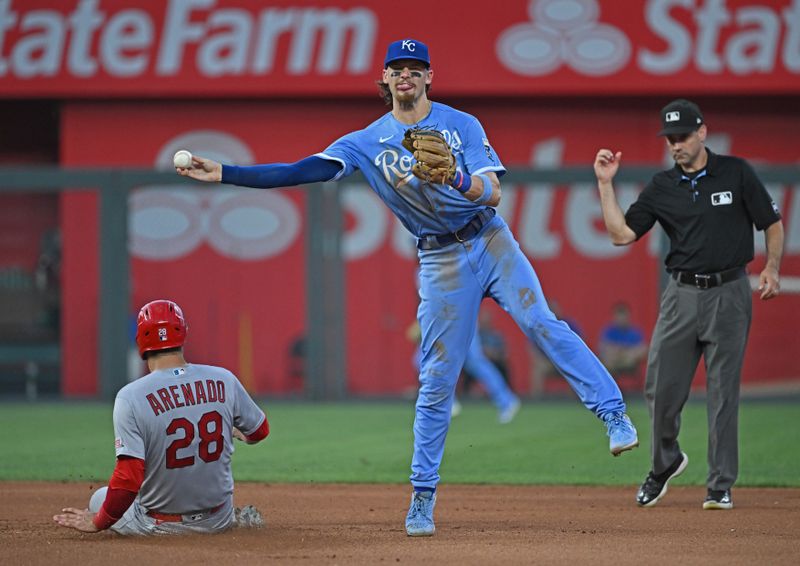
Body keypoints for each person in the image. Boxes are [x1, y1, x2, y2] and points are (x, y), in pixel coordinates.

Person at [177, 38, 637, 537]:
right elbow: (298, 171)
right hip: (439, 259)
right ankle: (422, 498)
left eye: (416, 68)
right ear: (385, 77)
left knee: (542, 322)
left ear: (429, 77)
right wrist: (224, 172)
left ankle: (614, 416)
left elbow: (495, 191)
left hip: (489, 239)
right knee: (437, 379)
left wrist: (457, 177)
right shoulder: (366, 142)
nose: (406, 75)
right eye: (398, 68)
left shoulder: (462, 124)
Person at [593, 98, 783, 511]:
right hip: (681, 295)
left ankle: (719, 484)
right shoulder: (662, 186)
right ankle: (666, 463)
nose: (675, 144)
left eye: (681, 136)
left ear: (702, 132)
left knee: (723, 394)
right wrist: (606, 184)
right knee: (660, 390)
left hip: (730, 292)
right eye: (669, 138)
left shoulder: (736, 172)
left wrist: (771, 266)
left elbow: (771, 221)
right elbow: (621, 235)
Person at [53, 299, 269, 535]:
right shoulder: (223, 378)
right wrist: (240, 434)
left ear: (141, 341)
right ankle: (229, 518)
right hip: (218, 519)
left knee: (99, 499)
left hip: (163, 525)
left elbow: (128, 479)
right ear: (184, 332)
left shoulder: (130, 396)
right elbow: (260, 431)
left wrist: (97, 522)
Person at [598, 301, 647, 379]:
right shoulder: (609, 331)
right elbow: (603, 348)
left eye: (624, 316)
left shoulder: (635, 332)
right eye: (619, 316)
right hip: (613, 363)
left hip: (630, 364)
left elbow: (642, 350)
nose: (621, 319)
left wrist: (622, 352)